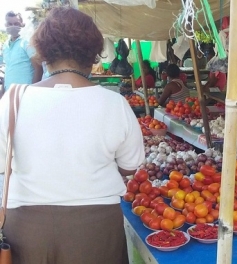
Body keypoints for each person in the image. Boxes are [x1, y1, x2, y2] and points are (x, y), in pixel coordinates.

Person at [0, 7, 145, 264]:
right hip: (97, 229)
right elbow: (130, 166)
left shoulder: (12, 100)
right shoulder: (115, 104)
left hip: (26, 228)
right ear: (93, 54)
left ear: (43, 53)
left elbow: (3, 165)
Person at [0, 11, 43, 98]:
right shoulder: (5, 45)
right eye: (10, 23)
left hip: (25, 94)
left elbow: (38, 67)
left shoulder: (27, 42)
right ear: (5, 25)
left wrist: (33, 91)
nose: (13, 26)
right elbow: (8, 69)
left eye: (16, 23)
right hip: (9, 94)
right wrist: (2, 93)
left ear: (22, 25)